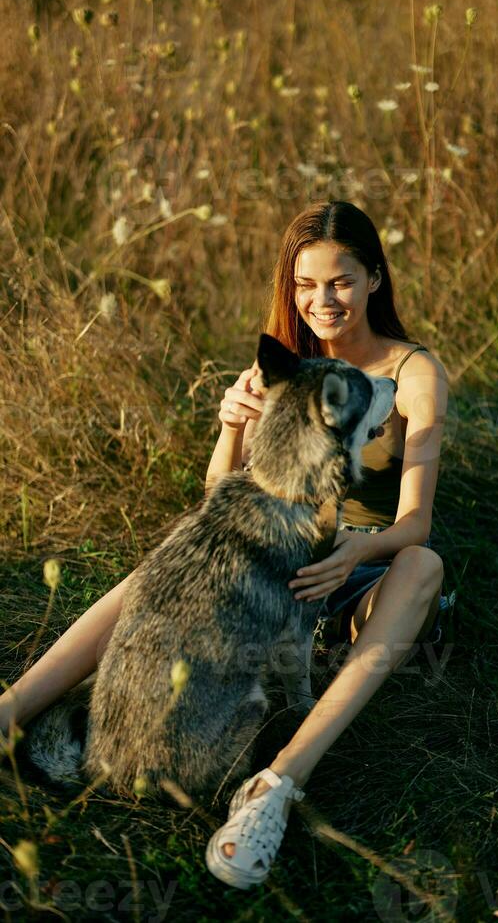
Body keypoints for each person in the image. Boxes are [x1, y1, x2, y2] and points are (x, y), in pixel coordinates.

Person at [0, 199, 449, 891]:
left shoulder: (411, 373)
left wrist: (354, 552)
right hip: (278, 561)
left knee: (425, 564)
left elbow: (416, 520)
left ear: (375, 280)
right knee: (160, 570)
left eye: (341, 281)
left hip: (365, 561)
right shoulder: (285, 362)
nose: (323, 300)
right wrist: (229, 425)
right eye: (305, 285)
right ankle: (13, 709)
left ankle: (274, 785)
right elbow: (221, 494)